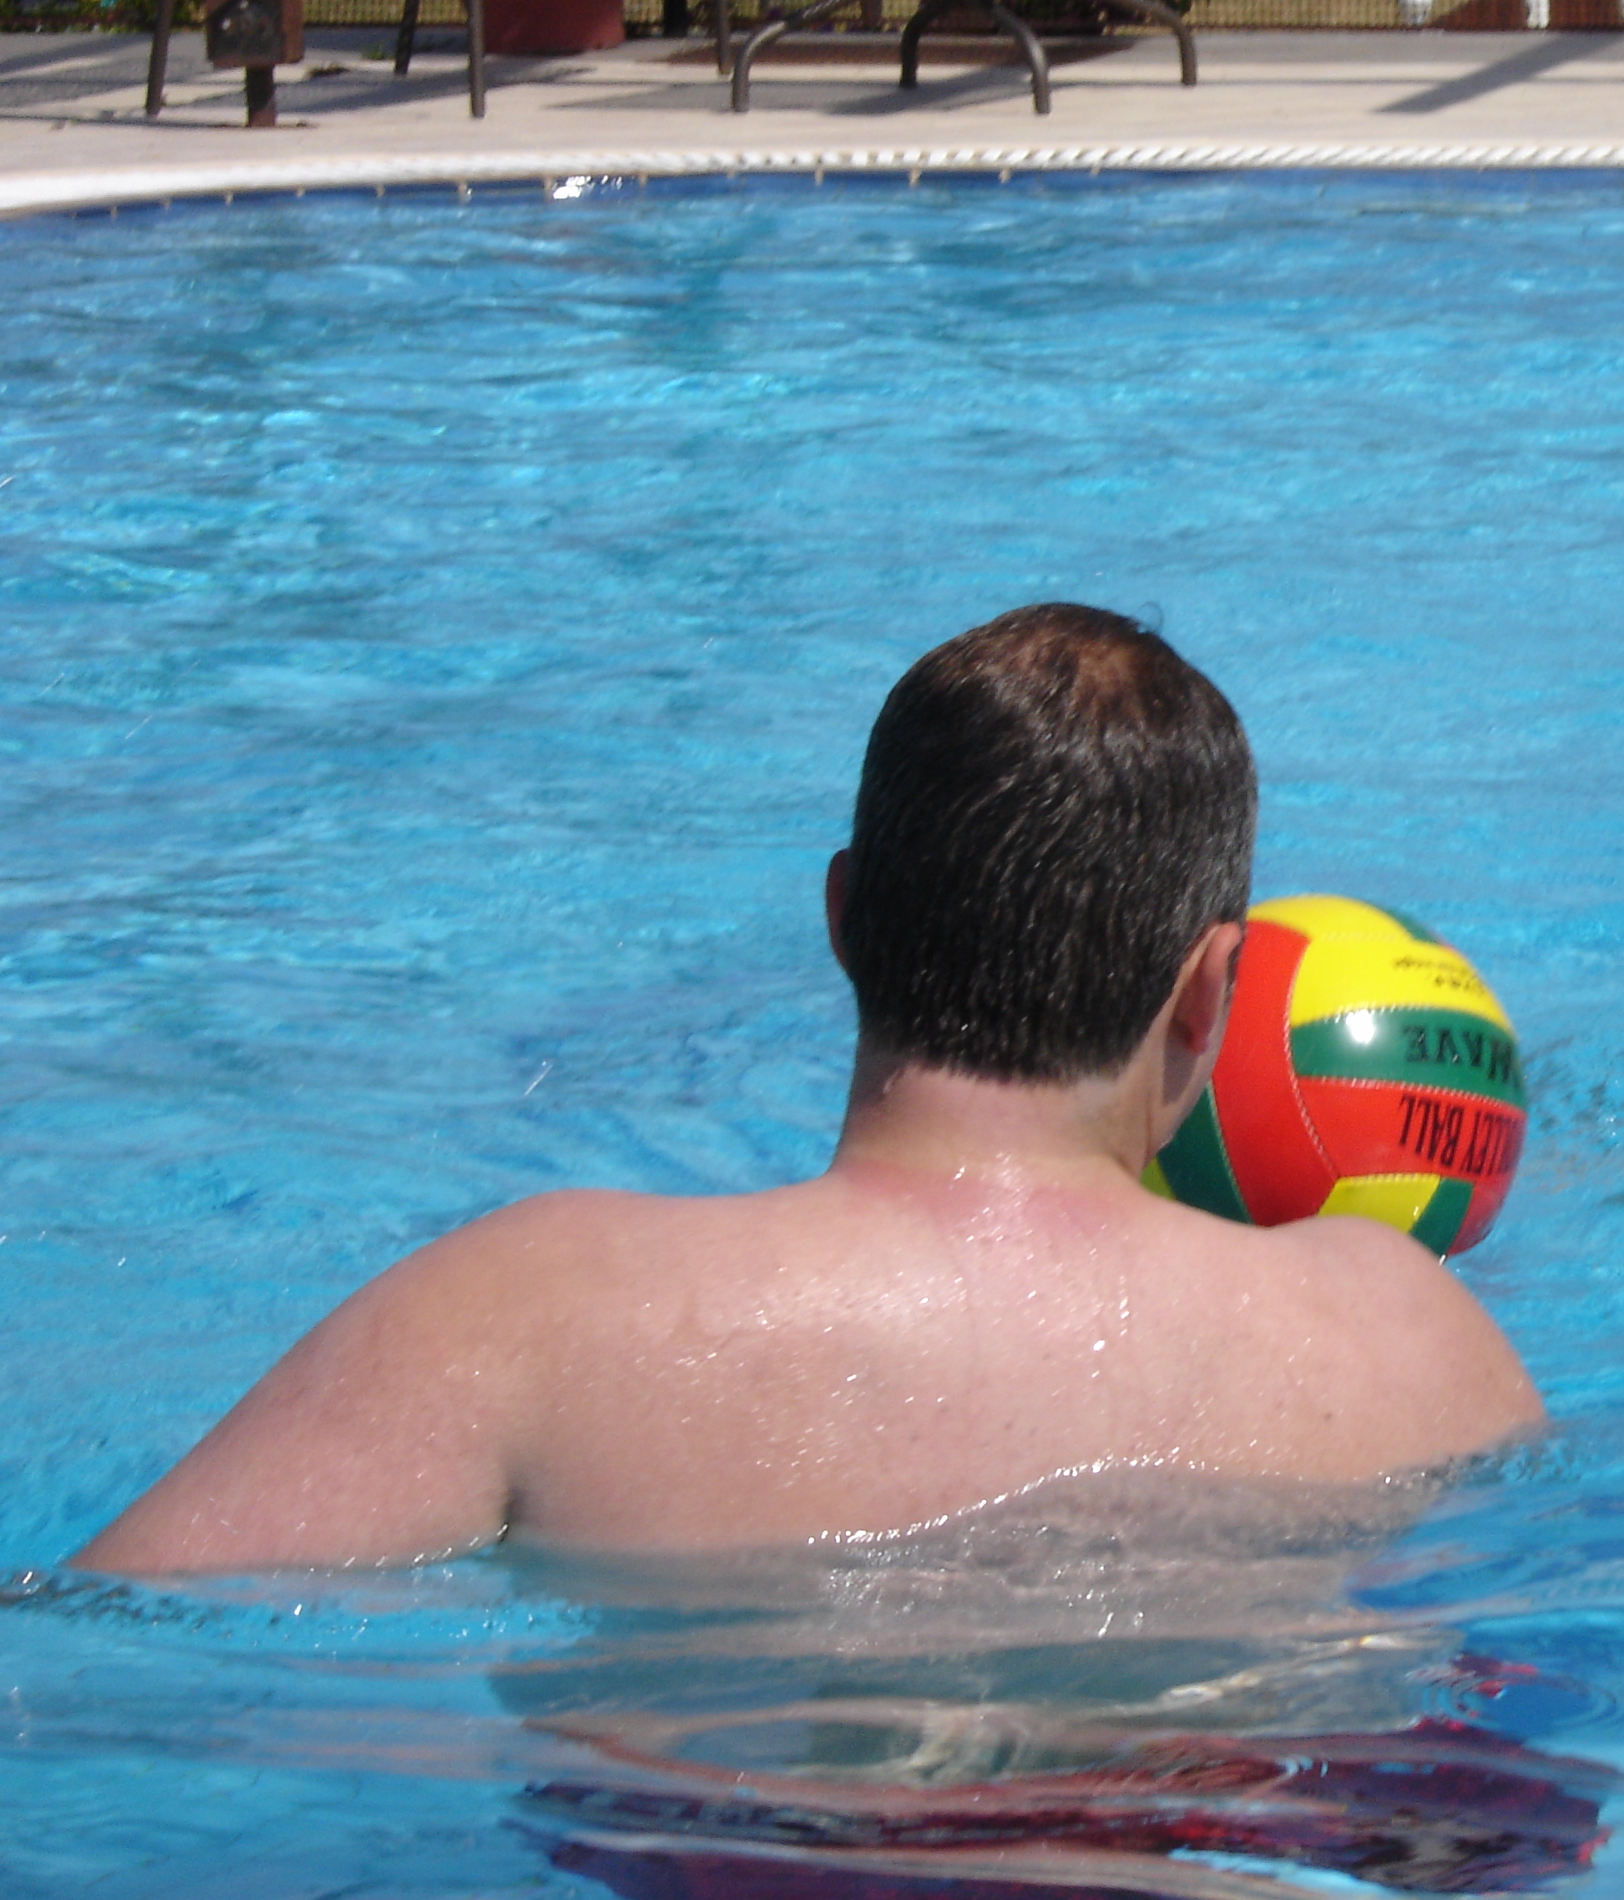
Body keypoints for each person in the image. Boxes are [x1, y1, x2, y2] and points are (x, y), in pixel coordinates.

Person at [79, 605, 1544, 1575]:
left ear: (844, 917)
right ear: (1214, 990)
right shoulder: (1403, 1337)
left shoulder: (534, 1312)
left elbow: (105, 1638)